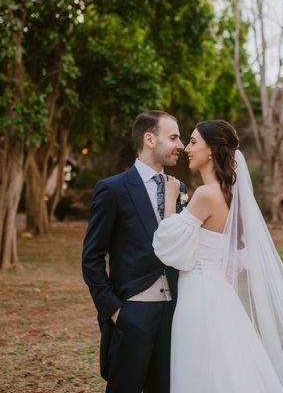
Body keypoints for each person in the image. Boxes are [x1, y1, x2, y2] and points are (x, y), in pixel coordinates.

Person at [153, 119, 283, 393]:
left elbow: (168, 246)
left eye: (194, 141)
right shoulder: (227, 194)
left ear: (211, 150)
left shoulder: (205, 195)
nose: (188, 148)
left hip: (200, 294)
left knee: (202, 367)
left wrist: (169, 199)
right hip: (217, 291)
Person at [82, 110, 186, 393]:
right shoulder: (112, 189)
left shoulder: (180, 189)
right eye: (174, 137)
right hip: (132, 313)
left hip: (173, 315)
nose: (181, 145)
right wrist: (115, 311)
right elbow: (91, 258)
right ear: (149, 139)